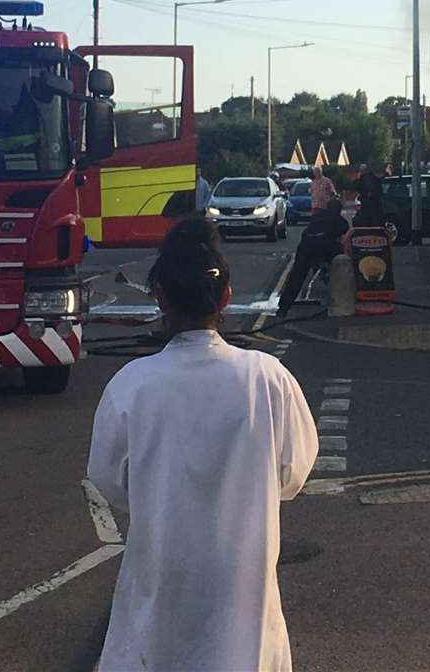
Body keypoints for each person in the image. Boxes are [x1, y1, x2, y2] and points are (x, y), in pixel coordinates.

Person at [88, 217, 319, 672]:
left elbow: (108, 480)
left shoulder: (131, 386)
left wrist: (159, 495)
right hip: (244, 599)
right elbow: (293, 473)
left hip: (160, 592)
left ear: (161, 299)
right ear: (226, 299)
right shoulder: (268, 379)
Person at [277, 198, 350, 316]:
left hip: (306, 245)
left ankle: (283, 308)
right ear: (339, 210)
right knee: (342, 263)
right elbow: (343, 231)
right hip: (323, 245)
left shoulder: (318, 215)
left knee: (297, 277)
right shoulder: (339, 219)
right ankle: (338, 297)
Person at [355, 162, 384, 226]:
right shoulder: (374, 178)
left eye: (361, 170)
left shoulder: (362, 179)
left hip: (366, 206)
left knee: (365, 224)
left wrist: (358, 179)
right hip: (375, 206)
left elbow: (355, 187)